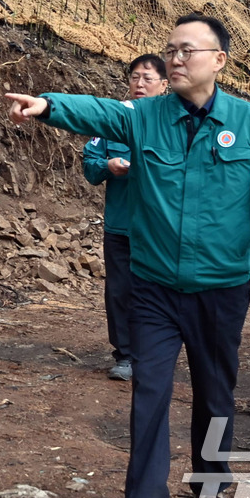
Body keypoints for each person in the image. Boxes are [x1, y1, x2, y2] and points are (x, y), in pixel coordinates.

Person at [6, 13, 250, 498]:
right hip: (154, 285)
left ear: (219, 60)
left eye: (188, 50)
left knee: (215, 392)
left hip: (220, 287)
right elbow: (99, 111)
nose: (176, 59)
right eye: (171, 50)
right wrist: (48, 106)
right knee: (150, 391)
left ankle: (212, 488)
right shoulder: (144, 116)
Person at [83, 54, 168, 381]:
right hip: (121, 225)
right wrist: (108, 166)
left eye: (148, 78)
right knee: (120, 291)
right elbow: (90, 166)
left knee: (158, 291)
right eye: (135, 77)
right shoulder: (113, 120)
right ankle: (126, 355)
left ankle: (155, 352)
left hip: (160, 227)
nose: (140, 84)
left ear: (164, 85)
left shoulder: (173, 123)